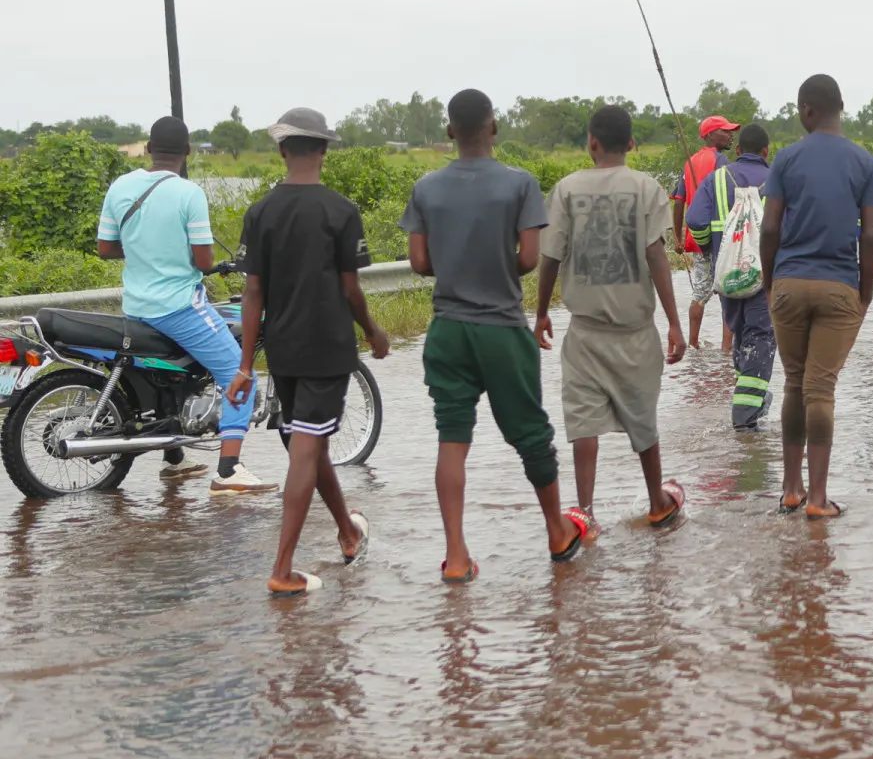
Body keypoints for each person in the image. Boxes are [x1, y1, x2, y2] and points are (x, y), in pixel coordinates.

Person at [403, 89, 584, 583]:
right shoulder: (520, 184)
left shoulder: (426, 188)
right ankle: (556, 530)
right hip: (501, 328)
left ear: (449, 132)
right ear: (494, 127)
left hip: (447, 331)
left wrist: (456, 260)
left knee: (451, 439)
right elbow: (529, 258)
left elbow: (419, 263)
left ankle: (457, 556)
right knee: (531, 435)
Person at [225, 109, 390, 596]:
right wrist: (374, 332)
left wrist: (244, 366)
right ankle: (282, 569)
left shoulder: (259, 212)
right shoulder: (340, 211)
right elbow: (351, 289)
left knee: (309, 442)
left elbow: (252, 294)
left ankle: (347, 531)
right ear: (323, 150)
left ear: (282, 150)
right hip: (327, 348)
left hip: (283, 350)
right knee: (304, 450)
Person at [535, 104, 688, 541]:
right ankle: (658, 502)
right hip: (636, 332)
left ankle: (584, 514)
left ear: (592, 144)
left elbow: (550, 257)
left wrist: (543, 310)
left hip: (583, 331)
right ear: (633, 145)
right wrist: (674, 323)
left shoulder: (566, 189)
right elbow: (656, 254)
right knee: (643, 418)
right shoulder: (646, 188)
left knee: (584, 422)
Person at [96, 117, 272, 492]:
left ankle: (174, 459)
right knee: (238, 373)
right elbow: (205, 262)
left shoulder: (121, 186)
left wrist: (145, 250)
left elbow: (106, 249)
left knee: (169, 375)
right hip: (178, 306)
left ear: (148, 147)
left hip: (136, 306)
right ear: (188, 151)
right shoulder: (188, 193)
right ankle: (228, 470)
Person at [759, 74, 873, 520]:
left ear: (806, 110)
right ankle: (818, 499)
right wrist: (865, 292)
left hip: (789, 282)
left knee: (794, 381)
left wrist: (772, 284)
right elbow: (870, 236)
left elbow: (770, 227)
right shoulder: (866, 163)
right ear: (841, 106)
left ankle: (790, 489)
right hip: (839, 285)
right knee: (821, 389)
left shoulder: (787, 159)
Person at [684, 123, 775, 431]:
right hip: (766, 275)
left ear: (737, 151)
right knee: (761, 337)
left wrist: (712, 248)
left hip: (728, 273)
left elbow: (695, 220)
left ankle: (751, 400)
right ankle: (745, 418)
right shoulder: (776, 179)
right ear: (766, 151)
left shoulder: (716, 179)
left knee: (739, 335)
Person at [670, 115, 739, 351]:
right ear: (711, 135)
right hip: (719, 238)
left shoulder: (690, 161)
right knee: (728, 291)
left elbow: (679, 202)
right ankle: (726, 349)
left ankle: (692, 345)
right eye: (725, 131)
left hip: (697, 239)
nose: (731, 135)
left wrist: (678, 238)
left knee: (700, 292)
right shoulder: (721, 160)